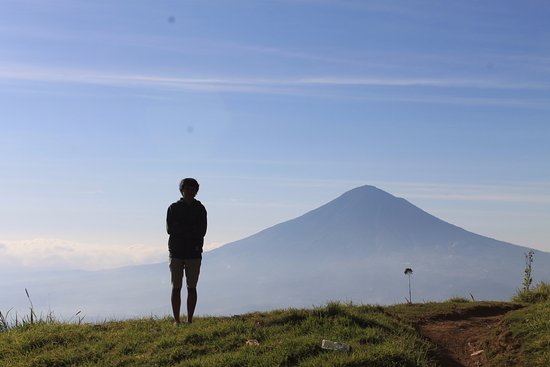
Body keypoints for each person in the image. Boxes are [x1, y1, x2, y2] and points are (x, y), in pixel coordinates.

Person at [166, 178, 207, 325]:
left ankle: (189, 320)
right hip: (177, 252)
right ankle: (177, 320)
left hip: (192, 252)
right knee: (176, 287)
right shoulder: (173, 208)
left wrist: (182, 229)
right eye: (187, 189)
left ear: (196, 191)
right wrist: (191, 231)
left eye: (192, 189)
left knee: (192, 287)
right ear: (182, 190)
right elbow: (170, 229)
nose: (190, 191)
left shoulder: (200, 209)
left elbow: (202, 231)